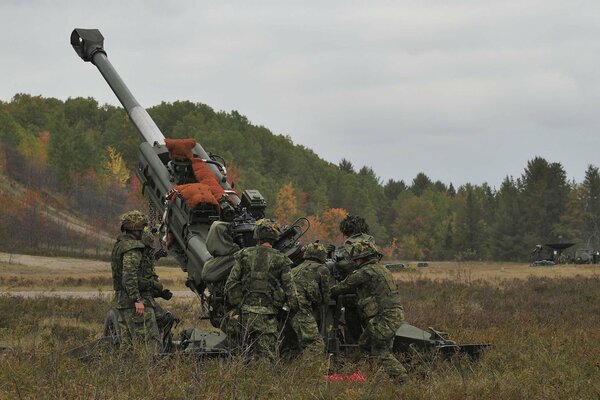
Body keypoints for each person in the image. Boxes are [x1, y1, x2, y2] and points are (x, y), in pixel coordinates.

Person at [330, 240, 408, 383]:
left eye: (356, 259)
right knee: (366, 343)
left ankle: (402, 378)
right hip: (390, 315)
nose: (355, 261)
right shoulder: (380, 268)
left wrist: (327, 292)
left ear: (362, 258)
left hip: (385, 317)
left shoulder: (366, 271)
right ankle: (377, 377)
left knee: (379, 350)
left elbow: (343, 286)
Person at [224, 218, 298, 361]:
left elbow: (231, 283)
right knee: (266, 359)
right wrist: (287, 310)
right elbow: (290, 291)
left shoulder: (244, 255)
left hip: (244, 315)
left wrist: (239, 305)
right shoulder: (281, 259)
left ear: (257, 235)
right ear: (275, 237)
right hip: (268, 317)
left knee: (241, 355)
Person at [110, 210, 161, 353]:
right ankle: (152, 372)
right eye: (144, 227)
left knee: (127, 345)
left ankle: (127, 373)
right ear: (137, 228)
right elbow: (129, 276)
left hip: (123, 302)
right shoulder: (132, 248)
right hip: (134, 303)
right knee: (149, 343)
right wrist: (137, 300)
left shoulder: (121, 245)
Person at [140, 226, 178, 352]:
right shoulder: (136, 259)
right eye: (148, 247)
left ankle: (167, 349)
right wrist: (156, 286)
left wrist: (161, 293)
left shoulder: (147, 259)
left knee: (167, 319)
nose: (150, 250)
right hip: (139, 300)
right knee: (151, 327)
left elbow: (150, 280)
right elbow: (136, 282)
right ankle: (154, 356)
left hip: (148, 299)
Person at [289, 242, 330, 352]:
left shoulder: (294, 269)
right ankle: (312, 368)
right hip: (302, 310)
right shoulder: (322, 269)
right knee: (315, 344)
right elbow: (326, 296)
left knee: (293, 344)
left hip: (288, 310)